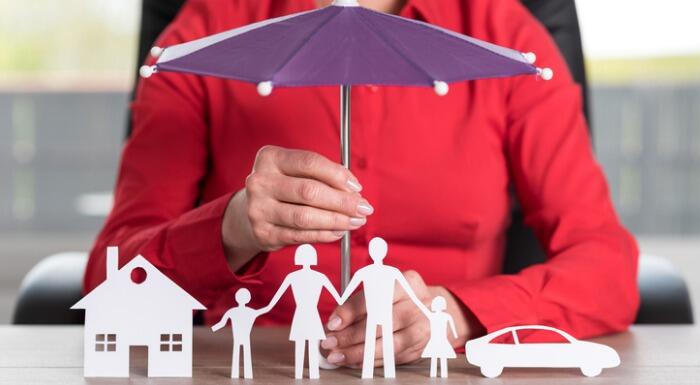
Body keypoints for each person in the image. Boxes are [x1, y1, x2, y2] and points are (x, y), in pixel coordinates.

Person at [84, 0, 639, 370]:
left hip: (444, 369)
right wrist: (229, 229)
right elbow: (108, 277)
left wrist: (456, 313)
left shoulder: (507, 38)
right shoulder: (206, 33)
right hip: (256, 367)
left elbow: (606, 265)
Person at [339, 237, 430, 378]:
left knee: (372, 342)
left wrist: (425, 310)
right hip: (383, 314)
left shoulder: (365, 272)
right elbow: (412, 295)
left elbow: (344, 296)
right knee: (384, 342)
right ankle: (385, 373)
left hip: (377, 314)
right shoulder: (391, 272)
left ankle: (371, 373)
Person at [263, 244, 342, 379]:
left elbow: (275, 299)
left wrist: (265, 309)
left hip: (301, 315)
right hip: (311, 315)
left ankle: (300, 375)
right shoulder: (320, 277)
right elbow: (339, 299)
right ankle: (311, 375)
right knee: (311, 344)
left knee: (300, 345)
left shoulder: (292, 276)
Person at [211, 288, 269, 379]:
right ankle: (246, 375)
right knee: (246, 356)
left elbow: (222, 323)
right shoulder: (251, 312)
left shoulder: (232, 311)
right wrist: (213, 328)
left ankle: (238, 375)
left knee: (237, 355)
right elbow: (266, 309)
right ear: (248, 299)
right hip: (243, 338)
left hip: (239, 338)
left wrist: (213, 328)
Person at [422, 296, 458, 378]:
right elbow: (423, 309)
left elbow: (452, 326)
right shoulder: (436, 316)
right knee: (437, 357)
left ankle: (441, 374)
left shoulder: (442, 316)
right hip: (435, 340)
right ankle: (436, 374)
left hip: (441, 340)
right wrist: (455, 334)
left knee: (440, 357)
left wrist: (455, 334)